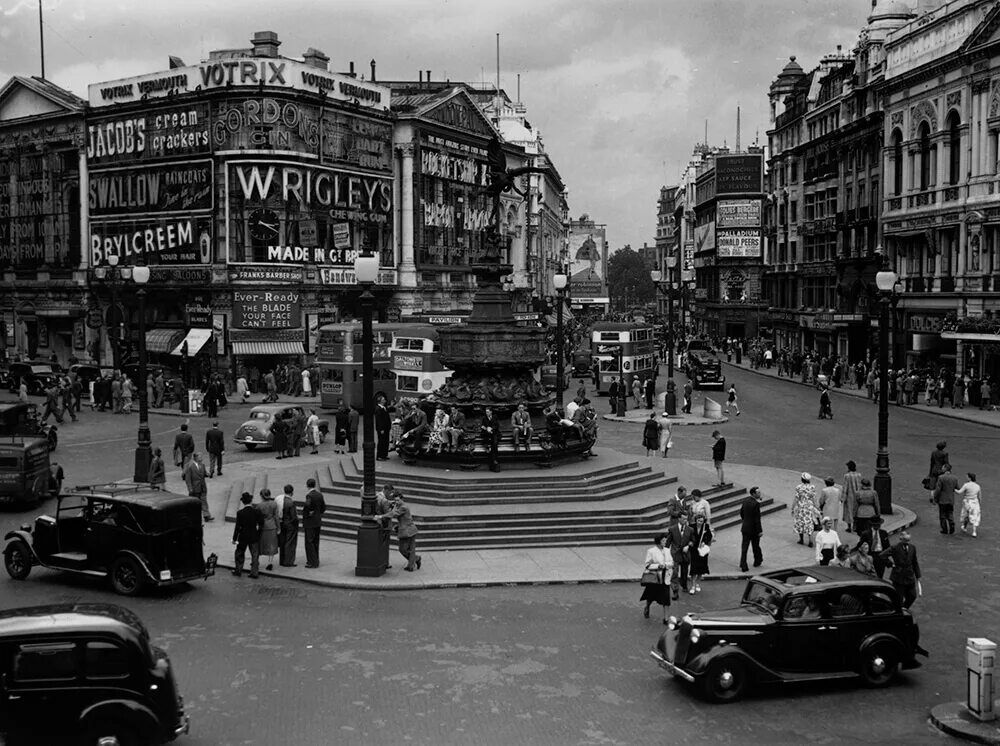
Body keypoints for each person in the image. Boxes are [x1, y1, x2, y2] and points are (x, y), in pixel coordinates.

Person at [378, 493, 422, 571]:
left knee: (403, 549)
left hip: (408, 530)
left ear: (402, 499)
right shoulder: (399, 506)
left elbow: (393, 514)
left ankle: (413, 563)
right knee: (410, 549)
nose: (396, 502)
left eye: (398, 500)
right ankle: (414, 561)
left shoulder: (403, 507)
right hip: (409, 529)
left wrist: (381, 516)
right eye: (395, 500)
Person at [881, 531, 921, 608]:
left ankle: (904, 608)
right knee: (898, 598)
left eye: (907, 541)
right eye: (904, 541)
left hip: (909, 576)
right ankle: (899, 611)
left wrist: (918, 575)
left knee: (912, 596)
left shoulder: (912, 547)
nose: (906, 542)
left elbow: (914, 562)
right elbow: (882, 555)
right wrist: (891, 564)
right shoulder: (895, 547)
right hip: (898, 577)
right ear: (901, 539)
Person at [640, 533, 672, 623]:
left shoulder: (667, 550)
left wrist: (666, 565)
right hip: (655, 578)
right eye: (663, 540)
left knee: (666, 598)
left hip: (665, 577)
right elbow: (647, 565)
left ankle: (666, 618)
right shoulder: (651, 551)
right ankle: (647, 606)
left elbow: (671, 562)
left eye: (665, 540)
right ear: (659, 541)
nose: (665, 542)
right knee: (651, 596)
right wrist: (658, 566)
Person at [232, 492, 263, 578]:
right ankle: (254, 572)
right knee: (255, 555)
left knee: (239, 553)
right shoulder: (256, 512)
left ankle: (238, 570)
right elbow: (261, 523)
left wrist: (234, 538)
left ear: (243, 502)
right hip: (254, 535)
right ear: (251, 501)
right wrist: (258, 533)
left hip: (243, 536)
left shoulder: (240, 513)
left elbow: (237, 527)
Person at [666, 512, 692, 599]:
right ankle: (675, 591)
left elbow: (693, 541)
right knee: (675, 573)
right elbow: (667, 543)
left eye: (686, 519)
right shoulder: (672, 529)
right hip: (675, 554)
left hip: (685, 555)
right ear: (679, 519)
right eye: (684, 519)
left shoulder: (690, 530)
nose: (685, 520)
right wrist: (666, 555)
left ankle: (684, 585)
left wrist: (688, 546)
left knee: (684, 572)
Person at [739, 486, 764, 572]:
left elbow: (741, 512)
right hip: (753, 529)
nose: (760, 494)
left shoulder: (746, 500)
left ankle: (743, 564)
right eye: (758, 493)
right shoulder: (756, 504)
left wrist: (745, 520)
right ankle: (757, 560)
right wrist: (759, 530)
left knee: (744, 548)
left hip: (745, 527)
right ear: (753, 494)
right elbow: (757, 519)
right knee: (755, 545)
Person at [302, 477, 326, 568]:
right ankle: (316, 560)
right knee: (316, 541)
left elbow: (307, 506)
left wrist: (309, 513)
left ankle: (312, 561)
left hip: (310, 522)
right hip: (317, 521)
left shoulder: (309, 496)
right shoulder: (320, 495)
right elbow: (323, 508)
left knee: (309, 542)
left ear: (307, 486)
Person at [791, 472, 819, 546]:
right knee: (809, 523)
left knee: (800, 522)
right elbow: (814, 498)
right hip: (809, 507)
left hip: (801, 507)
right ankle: (810, 541)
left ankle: (801, 539)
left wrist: (792, 507)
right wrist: (817, 507)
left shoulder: (799, 487)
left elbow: (796, 498)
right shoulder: (812, 487)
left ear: (802, 479)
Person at [688, 514, 713, 593]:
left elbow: (709, 536)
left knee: (701, 568)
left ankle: (698, 583)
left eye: (701, 521)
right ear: (696, 520)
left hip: (702, 550)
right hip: (694, 550)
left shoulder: (706, 527)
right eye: (698, 521)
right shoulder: (691, 526)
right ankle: (693, 585)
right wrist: (690, 542)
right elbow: (688, 536)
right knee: (694, 568)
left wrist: (704, 542)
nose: (700, 522)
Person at [183, 452, 211, 522]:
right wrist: (190, 489)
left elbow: (204, 474)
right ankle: (192, 517)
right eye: (200, 456)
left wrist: (207, 474)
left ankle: (206, 515)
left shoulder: (202, 465)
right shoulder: (189, 467)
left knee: (204, 501)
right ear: (195, 458)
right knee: (195, 504)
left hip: (202, 487)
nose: (201, 458)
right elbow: (188, 479)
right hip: (195, 488)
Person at [931, 462, 958, 534]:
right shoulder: (955, 478)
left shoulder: (941, 477)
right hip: (951, 499)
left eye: (943, 467)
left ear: (945, 469)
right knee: (950, 512)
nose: (942, 469)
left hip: (942, 499)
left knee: (942, 515)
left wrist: (934, 498)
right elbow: (957, 487)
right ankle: (951, 523)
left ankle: (944, 529)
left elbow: (938, 489)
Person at [256, 488, 279, 571]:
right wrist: (278, 527)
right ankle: (270, 562)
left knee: (260, 544)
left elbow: (257, 517)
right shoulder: (274, 504)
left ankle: (255, 561)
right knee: (271, 545)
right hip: (272, 525)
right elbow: (276, 517)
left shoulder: (259, 505)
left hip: (263, 526)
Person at [956, 472, 982, 537]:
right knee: (974, 516)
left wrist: (953, 489)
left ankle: (964, 527)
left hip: (967, 502)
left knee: (965, 515)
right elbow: (980, 496)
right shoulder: (978, 486)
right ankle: (974, 531)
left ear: (970, 478)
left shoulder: (966, 485)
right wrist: (979, 503)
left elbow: (959, 492)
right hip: (975, 502)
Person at [278, 484, 298, 568]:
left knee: (283, 542)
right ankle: (288, 561)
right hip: (290, 524)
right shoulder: (291, 502)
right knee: (290, 542)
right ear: (292, 492)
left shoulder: (281, 500)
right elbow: (293, 516)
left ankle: (282, 560)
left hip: (282, 523)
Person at [842, 460, 863, 533]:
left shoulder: (847, 476)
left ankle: (849, 527)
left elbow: (845, 487)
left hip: (849, 496)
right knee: (856, 511)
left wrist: (843, 498)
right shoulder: (859, 475)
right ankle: (855, 526)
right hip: (857, 495)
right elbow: (860, 485)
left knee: (849, 511)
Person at [480, 406, 502, 472]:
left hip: (494, 433)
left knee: (494, 444)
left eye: (488, 412)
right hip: (487, 434)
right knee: (489, 443)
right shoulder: (484, 418)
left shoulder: (495, 417)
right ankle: (493, 460)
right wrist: (487, 429)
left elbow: (497, 425)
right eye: (486, 412)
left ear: (491, 412)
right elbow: (482, 426)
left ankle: (494, 460)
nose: (487, 413)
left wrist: (491, 428)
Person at [375, 394, 391, 459]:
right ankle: (379, 455)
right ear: (380, 401)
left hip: (386, 428)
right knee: (381, 442)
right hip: (382, 429)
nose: (385, 400)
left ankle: (384, 454)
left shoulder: (384, 408)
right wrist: (381, 429)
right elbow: (379, 420)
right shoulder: (378, 409)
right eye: (383, 400)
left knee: (386, 441)